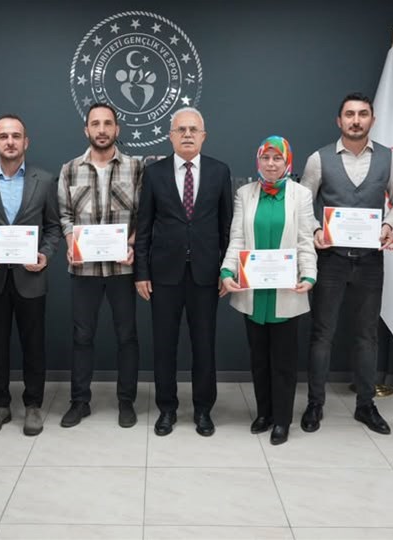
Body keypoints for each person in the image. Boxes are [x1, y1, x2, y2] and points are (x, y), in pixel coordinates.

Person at [300, 92, 393, 435]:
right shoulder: (318, 159)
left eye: (363, 114)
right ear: (339, 120)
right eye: (350, 114)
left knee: (367, 336)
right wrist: (315, 230)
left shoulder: (390, 159)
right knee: (322, 335)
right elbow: (302, 203)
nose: (356, 120)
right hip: (330, 260)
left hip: (370, 261)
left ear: (372, 120)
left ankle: (366, 405)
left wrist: (389, 225)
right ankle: (315, 404)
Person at [134, 107, 233, 437]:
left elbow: (227, 228)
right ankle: (167, 408)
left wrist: (226, 270)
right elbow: (144, 227)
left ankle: (203, 409)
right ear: (171, 136)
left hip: (206, 275)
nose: (187, 134)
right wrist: (141, 272)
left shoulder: (219, 171)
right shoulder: (154, 173)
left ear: (203, 136)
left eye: (193, 129)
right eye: (181, 129)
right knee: (164, 345)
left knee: (204, 345)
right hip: (164, 275)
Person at [0, 114, 62, 437]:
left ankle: (33, 404)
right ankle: (0, 404)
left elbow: (53, 228)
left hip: (30, 277)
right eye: (4, 136)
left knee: (33, 344)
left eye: (16, 136)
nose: (10, 141)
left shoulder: (44, 180)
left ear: (26, 142)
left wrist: (45, 254)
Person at [220, 136, 317, 445]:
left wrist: (310, 275)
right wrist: (226, 271)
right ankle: (264, 413)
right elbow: (237, 238)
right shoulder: (244, 193)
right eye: (266, 158)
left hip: (286, 291)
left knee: (284, 362)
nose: (271, 164)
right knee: (259, 359)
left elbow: (305, 240)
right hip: (254, 290)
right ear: (258, 161)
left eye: (278, 158)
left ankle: (282, 420)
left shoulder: (301, 195)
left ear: (287, 162)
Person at [57, 103, 143, 428]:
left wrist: (131, 243)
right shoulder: (69, 169)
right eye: (96, 123)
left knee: (127, 337)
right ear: (87, 130)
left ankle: (126, 401)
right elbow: (65, 215)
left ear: (117, 129)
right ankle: (80, 401)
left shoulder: (136, 168)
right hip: (85, 270)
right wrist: (71, 243)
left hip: (123, 268)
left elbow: (144, 215)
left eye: (108, 123)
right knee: (82, 337)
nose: (102, 129)